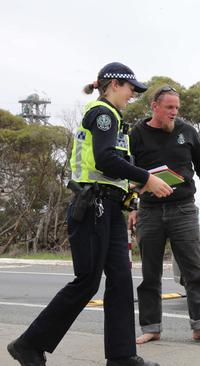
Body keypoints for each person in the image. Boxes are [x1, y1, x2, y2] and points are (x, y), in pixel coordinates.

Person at [6, 62, 173, 366]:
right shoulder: (102, 114)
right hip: (93, 207)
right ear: (112, 85)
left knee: (121, 281)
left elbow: (109, 170)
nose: (132, 95)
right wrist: (147, 177)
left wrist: (134, 189)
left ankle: (122, 356)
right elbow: (105, 159)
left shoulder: (114, 118)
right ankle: (29, 344)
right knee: (87, 282)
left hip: (108, 208)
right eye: (129, 89)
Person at [128, 85, 200, 344]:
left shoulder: (187, 132)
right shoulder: (137, 134)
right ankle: (151, 328)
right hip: (150, 211)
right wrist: (132, 207)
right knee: (150, 274)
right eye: (169, 108)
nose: (174, 112)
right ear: (155, 107)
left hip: (184, 209)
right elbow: (127, 172)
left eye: (177, 108)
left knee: (194, 270)